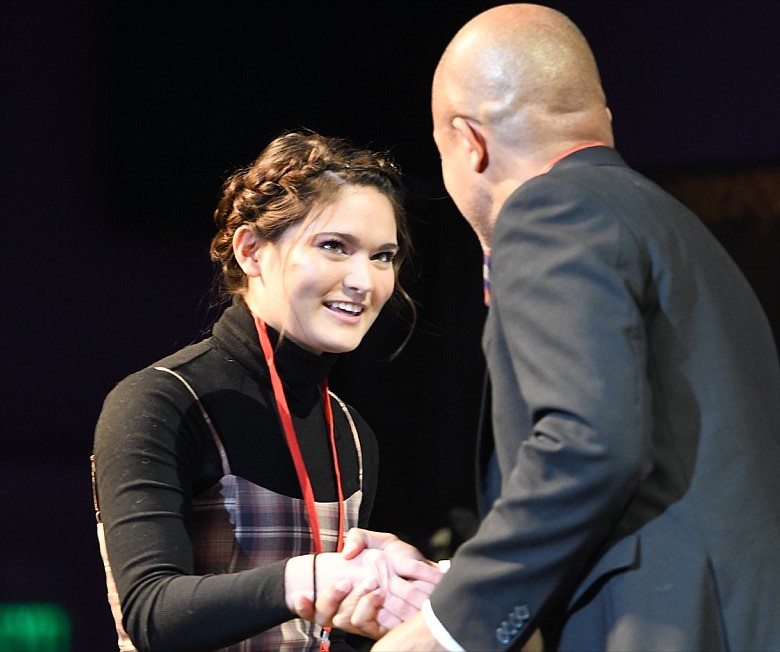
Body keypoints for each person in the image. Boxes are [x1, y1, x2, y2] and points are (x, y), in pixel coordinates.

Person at [322, 3, 780, 651]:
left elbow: (588, 444)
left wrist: (449, 626)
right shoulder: (676, 227)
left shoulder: (547, 211)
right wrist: (451, 582)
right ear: (602, 119)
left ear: (469, 142)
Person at [91, 130, 443, 652]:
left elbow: (324, 637)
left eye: (382, 256)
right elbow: (151, 613)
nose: (363, 281)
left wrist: (387, 596)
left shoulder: (351, 431)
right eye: (334, 246)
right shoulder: (161, 401)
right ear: (251, 250)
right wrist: (309, 579)